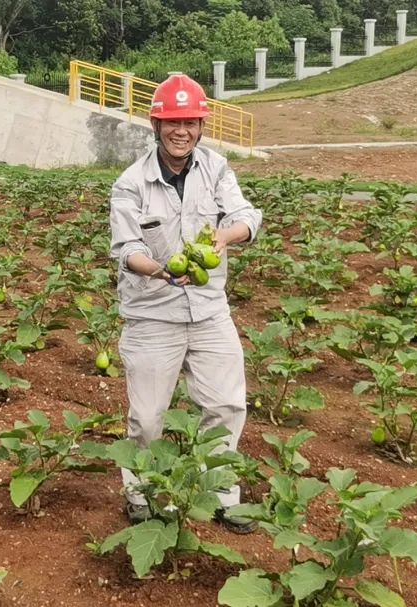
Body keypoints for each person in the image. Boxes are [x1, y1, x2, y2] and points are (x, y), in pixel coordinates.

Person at [108, 74, 263, 534]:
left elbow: (246, 216)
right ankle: (141, 494)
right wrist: (159, 270)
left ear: (201, 126)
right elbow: (127, 249)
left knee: (227, 405)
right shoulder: (131, 183)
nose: (182, 131)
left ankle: (222, 493)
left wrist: (225, 235)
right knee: (147, 417)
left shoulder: (216, 168)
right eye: (173, 122)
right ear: (156, 125)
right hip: (153, 314)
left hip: (210, 310)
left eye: (190, 122)